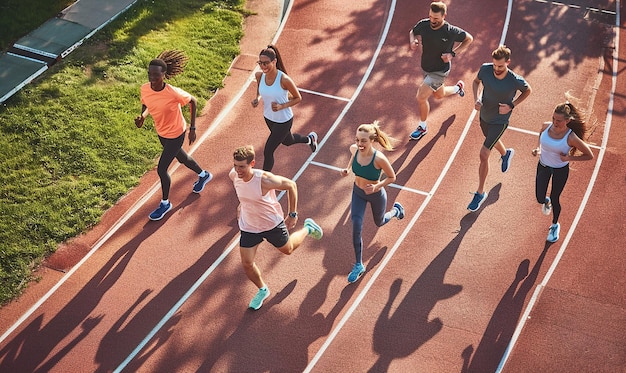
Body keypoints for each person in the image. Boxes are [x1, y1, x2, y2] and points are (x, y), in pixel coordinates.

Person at [229, 145, 323, 310]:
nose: (238, 170)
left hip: (271, 224)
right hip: (249, 226)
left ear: (252, 164)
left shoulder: (264, 180)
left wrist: (292, 214)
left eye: (242, 166)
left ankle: (308, 228)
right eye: (236, 165)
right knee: (247, 263)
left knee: (288, 250)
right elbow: (243, 192)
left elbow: (291, 185)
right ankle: (263, 290)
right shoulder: (234, 175)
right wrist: (240, 205)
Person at [135, 50, 213, 221]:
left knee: (162, 169)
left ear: (164, 74)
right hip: (161, 133)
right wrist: (143, 117)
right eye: (150, 73)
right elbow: (146, 104)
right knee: (182, 158)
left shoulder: (172, 92)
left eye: (156, 74)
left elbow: (193, 100)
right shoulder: (145, 89)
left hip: (177, 133)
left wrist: (193, 127)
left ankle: (165, 203)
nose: (152, 77)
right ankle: (203, 175)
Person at [467, 45, 532, 212]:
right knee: (491, 140)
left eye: (500, 66)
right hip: (484, 116)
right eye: (495, 65)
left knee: (484, 153)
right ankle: (506, 153)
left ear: (508, 62)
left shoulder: (514, 79)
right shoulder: (485, 69)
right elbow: (475, 82)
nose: (496, 68)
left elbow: (527, 90)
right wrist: (477, 99)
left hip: (500, 121)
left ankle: (480, 193)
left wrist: (512, 105)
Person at [340, 122, 405, 283]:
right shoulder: (354, 149)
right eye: (357, 140)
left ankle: (396, 211)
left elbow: (392, 177)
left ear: (371, 141)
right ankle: (358, 265)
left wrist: (377, 186)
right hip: (358, 193)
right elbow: (352, 157)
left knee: (380, 222)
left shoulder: (379, 159)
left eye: (363, 141)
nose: (359, 144)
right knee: (356, 225)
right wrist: (348, 170)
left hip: (376, 195)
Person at [409, 1, 473, 141]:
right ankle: (458, 88)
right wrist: (412, 40)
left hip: (439, 71)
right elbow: (413, 31)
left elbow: (469, 39)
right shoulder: (424, 24)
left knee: (421, 97)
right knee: (439, 95)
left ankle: (422, 127)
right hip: (426, 67)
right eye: (431, 16)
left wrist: (453, 54)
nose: (432, 20)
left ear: (444, 16)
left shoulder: (450, 31)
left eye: (436, 18)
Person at [532, 97, 594, 242]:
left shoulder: (571, 137)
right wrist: (538, 148)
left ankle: (554, 225)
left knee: (555, 197)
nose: (555, 122)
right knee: (540, 198)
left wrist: (568, 159)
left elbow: (589, 155)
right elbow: (541, 134)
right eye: (553, 118)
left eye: (559, 120)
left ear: (567, 121)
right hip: (543, 166)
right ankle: (545, 202)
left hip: (560, 170)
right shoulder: (545, 126)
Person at [251, 45, 318, 172]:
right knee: (288, 141)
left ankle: (265, 182)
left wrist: (282, 106)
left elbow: (298, 97)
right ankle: (310, 139)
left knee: (268, 151)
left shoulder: (284, 80)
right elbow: (260, 89)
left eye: (266, 63)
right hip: (269, 118)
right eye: (260, 63)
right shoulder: (259, 75)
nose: (263, 66)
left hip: (283, 120)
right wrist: (257, 98)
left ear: (274, 61)